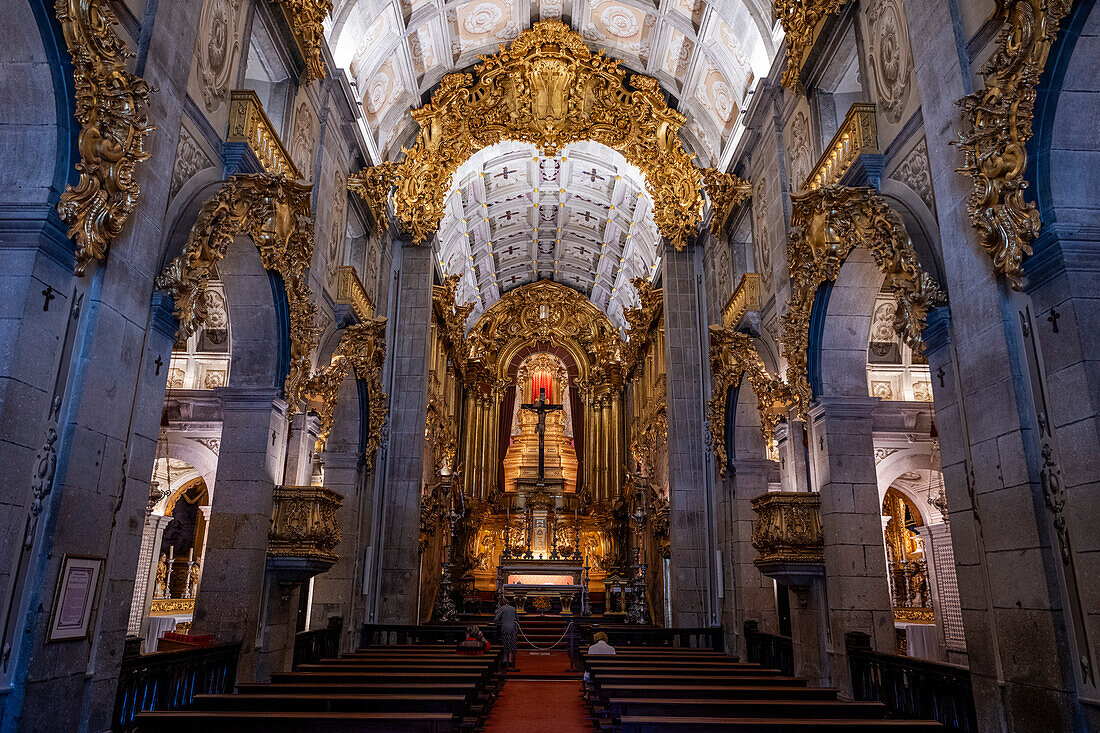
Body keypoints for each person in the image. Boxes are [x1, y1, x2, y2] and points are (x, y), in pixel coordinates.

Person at [493, 595, 519, 670]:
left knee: (505, 643)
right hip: (513, 628)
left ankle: (505, 659)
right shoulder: (513, 608)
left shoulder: (502, 608)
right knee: (511, 643)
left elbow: (496, 619)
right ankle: (510, 659)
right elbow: (517, 618)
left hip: (505, 628)